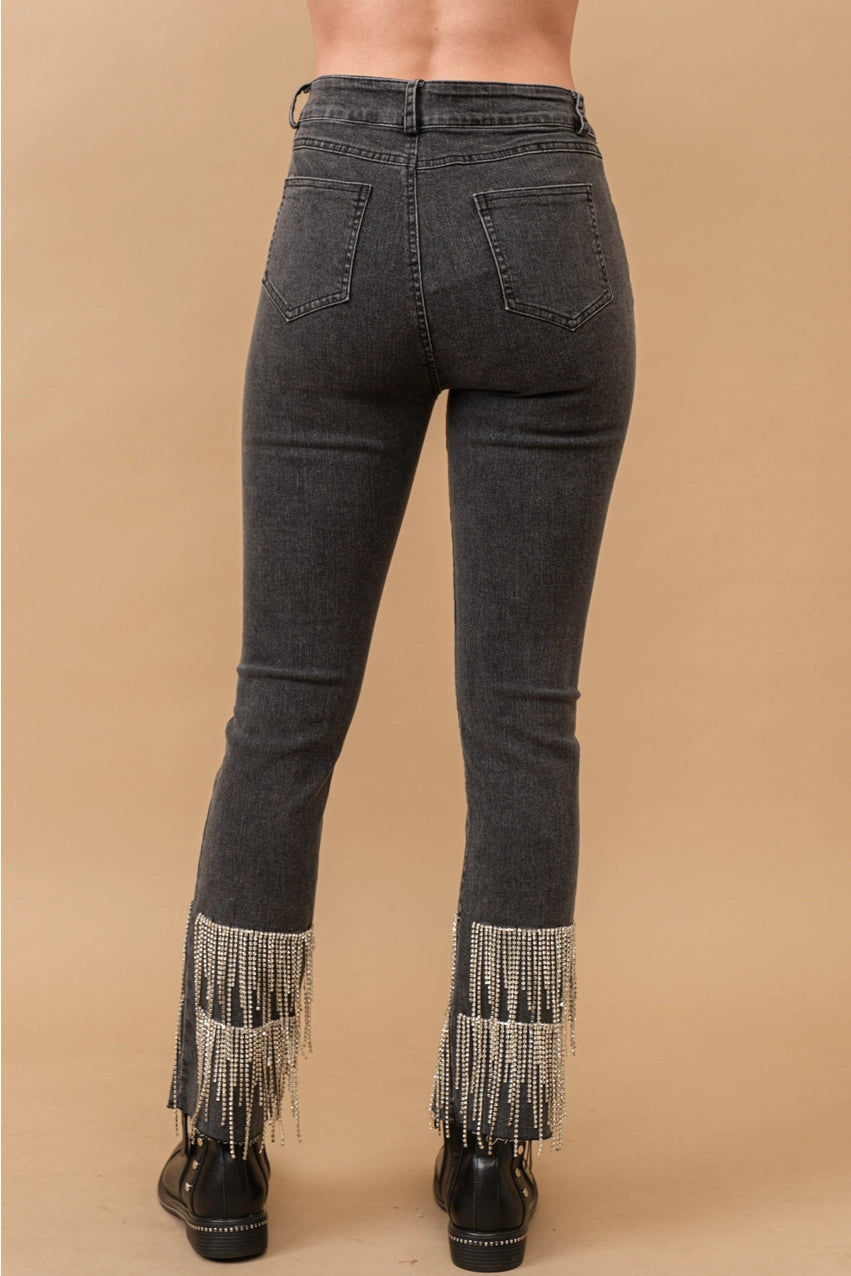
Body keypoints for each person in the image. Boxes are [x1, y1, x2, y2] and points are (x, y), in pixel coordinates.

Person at [156, 0, 636, 1268]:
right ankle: (488, 1159)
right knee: (524, 726)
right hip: (535, 188)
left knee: (282, 710)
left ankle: (224, 1147)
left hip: (344, 188)